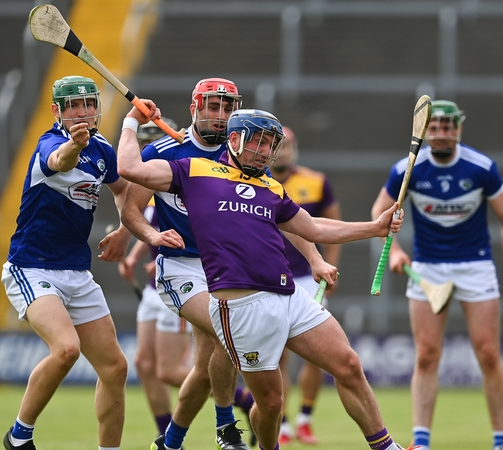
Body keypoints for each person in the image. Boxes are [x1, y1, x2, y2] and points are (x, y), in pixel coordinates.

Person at [118, 104, 416, 450]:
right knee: (271, 404)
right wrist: (130, 123)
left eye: (270, 145)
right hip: (242, 307)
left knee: (348, 364)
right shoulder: (193, 170)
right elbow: (129, 168)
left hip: (288, 295)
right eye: (257, 142)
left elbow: (315, 226)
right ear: (233, 139)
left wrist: (374, 228)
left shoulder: (271, 188)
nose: (264, 152)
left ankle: (387, 447)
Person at [119, 78, 266, 450]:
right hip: (180, 267)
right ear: (194, 109)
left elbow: (281, 211)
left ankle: (170, 442)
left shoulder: (239, 157)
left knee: (203, 369)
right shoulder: (163, 152)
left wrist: (313, 257)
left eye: (228, 108)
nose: (221, 116)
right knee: (225, 331)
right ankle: (224, 427)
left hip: (224, 268)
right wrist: (151, 238)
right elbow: (131, 212)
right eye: (213, 107)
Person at [370, 100, 503, 450]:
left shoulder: (481, 168)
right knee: (426, 354)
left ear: (458, 129)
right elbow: (380, 212)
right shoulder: (407, 169)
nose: (441, 134)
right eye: (434, 127)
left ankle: (501, 442)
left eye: (448, 127)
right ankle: (421, 442)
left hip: (476, 265)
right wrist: (394, 250)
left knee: (487, 353)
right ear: (426, 131)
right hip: (427, 266)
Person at [0, 75, 131, 450]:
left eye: (88, 104)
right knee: (67, 349)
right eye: (73, 105)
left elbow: (124, 190)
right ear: (57, 111)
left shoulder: (103, 150)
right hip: (31, 266)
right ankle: (19, 436)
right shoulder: (51, 144)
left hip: (76, 272)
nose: (83, 112)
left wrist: (125, 227)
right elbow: (60, 161)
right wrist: (74, 144)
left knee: (116, 369)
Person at [118, 119, 195, 438]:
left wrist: (156, 256)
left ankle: (240, 400)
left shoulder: (175, 181)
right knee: (144, 365)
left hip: (176, 281)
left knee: (168, 370)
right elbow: (143, 224)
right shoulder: (146, 194)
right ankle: (165, 435)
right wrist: (134, 258)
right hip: (153, 290)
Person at [270, 127, 342, 446]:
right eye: (278, 146)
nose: (283, 151)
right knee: (279, 355)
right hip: (271, 277)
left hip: (308, 277)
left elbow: (333, 223)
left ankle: (305, 420)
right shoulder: (255, 182)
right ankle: (283, 424)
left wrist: (329, 264)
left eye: (288, 146)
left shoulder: (315, 181)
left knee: (317, 354)